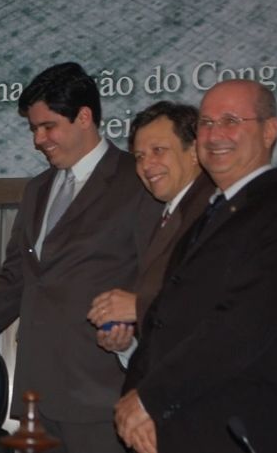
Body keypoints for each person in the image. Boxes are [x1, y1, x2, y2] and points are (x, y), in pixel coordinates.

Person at [0, 62, 160, 453]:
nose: (38, 139)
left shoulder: (137, 181)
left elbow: (158, 277)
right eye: (33, 129)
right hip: (37, 399)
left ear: (84, 117)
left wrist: (132, 329)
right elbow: (15, 283)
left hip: (104, 397)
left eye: (48, 126)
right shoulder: (37, 190)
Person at [116, 79, 277, 453]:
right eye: (206, 123)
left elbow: (243, 325)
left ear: (269, 131)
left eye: (231, 120)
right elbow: (162, 322)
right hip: (166, 431)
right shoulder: (206, 219)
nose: (215, 135)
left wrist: (148, 399)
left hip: (231, 433)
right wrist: (130, 403)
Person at [87, 101, 213, 364]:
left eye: (158, 150)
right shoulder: (168, 215)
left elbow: (218, 299)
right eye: (139, 156)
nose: (146, 165)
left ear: (194, 151)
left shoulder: (214, 210)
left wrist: (138, 306)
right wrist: (127, 344)